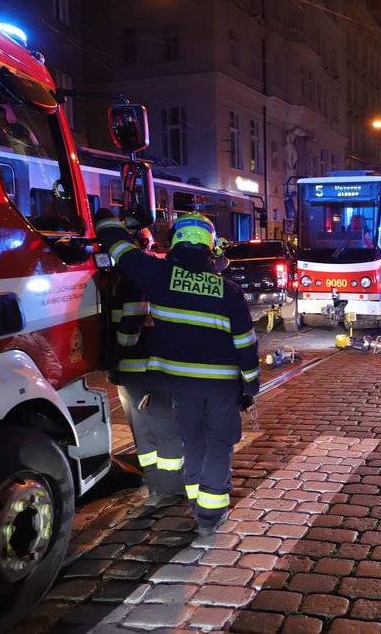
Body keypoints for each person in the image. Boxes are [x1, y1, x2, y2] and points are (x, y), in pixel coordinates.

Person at [94, 208, 260, 537]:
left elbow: (118, 249)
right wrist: (250, 388)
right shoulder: (227, 290)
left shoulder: (158, 275)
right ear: (210, 248)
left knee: (193, 442)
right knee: (218, 444)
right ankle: (210, 516)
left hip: (181, 387)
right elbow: (246, 346)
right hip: (221, 389)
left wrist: (106, 216)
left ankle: (199, 505)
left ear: (175, 242)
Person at [107, 227, 186, 504]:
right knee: (163, 429)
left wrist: (114, 357)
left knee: (148, 431)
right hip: (148, 367)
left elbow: (129, 325)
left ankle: (160, 487)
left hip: (136, 368)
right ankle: (167, 486)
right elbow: (133, 324)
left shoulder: (125, 277)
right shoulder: (140, 275)